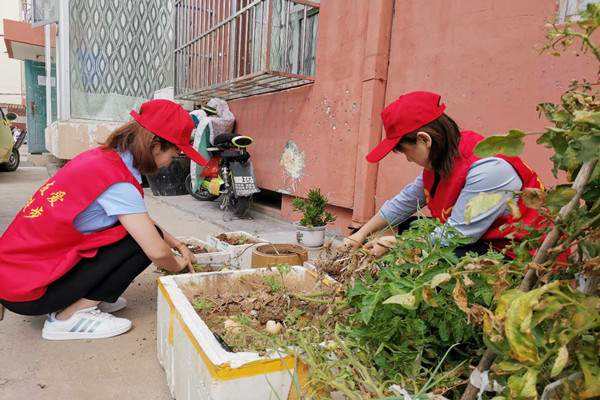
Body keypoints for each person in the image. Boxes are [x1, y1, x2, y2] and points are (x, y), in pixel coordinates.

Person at [0, 99, 208, 340]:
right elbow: (156, 251)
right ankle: (69, 317)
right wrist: (178, 265)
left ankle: (85, 298)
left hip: (14, 276)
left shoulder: (103, 159)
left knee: (137, 234)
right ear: (155, 145)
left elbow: (141, 222)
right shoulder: (119, 182)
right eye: (173, 154)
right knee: (140, 246)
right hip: (28, 293)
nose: (170, 162)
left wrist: (179, 245)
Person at [340, 91, 545, 258]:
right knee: (411, 225)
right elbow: (405, 201)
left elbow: (458, 236)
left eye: (405, 152)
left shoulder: (488, 169)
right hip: (484, 236)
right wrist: (361, 234)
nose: (408, 159)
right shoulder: (442, 160)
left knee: (430, 253)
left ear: (425, 140)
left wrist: (398, 244)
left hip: (517, 252)